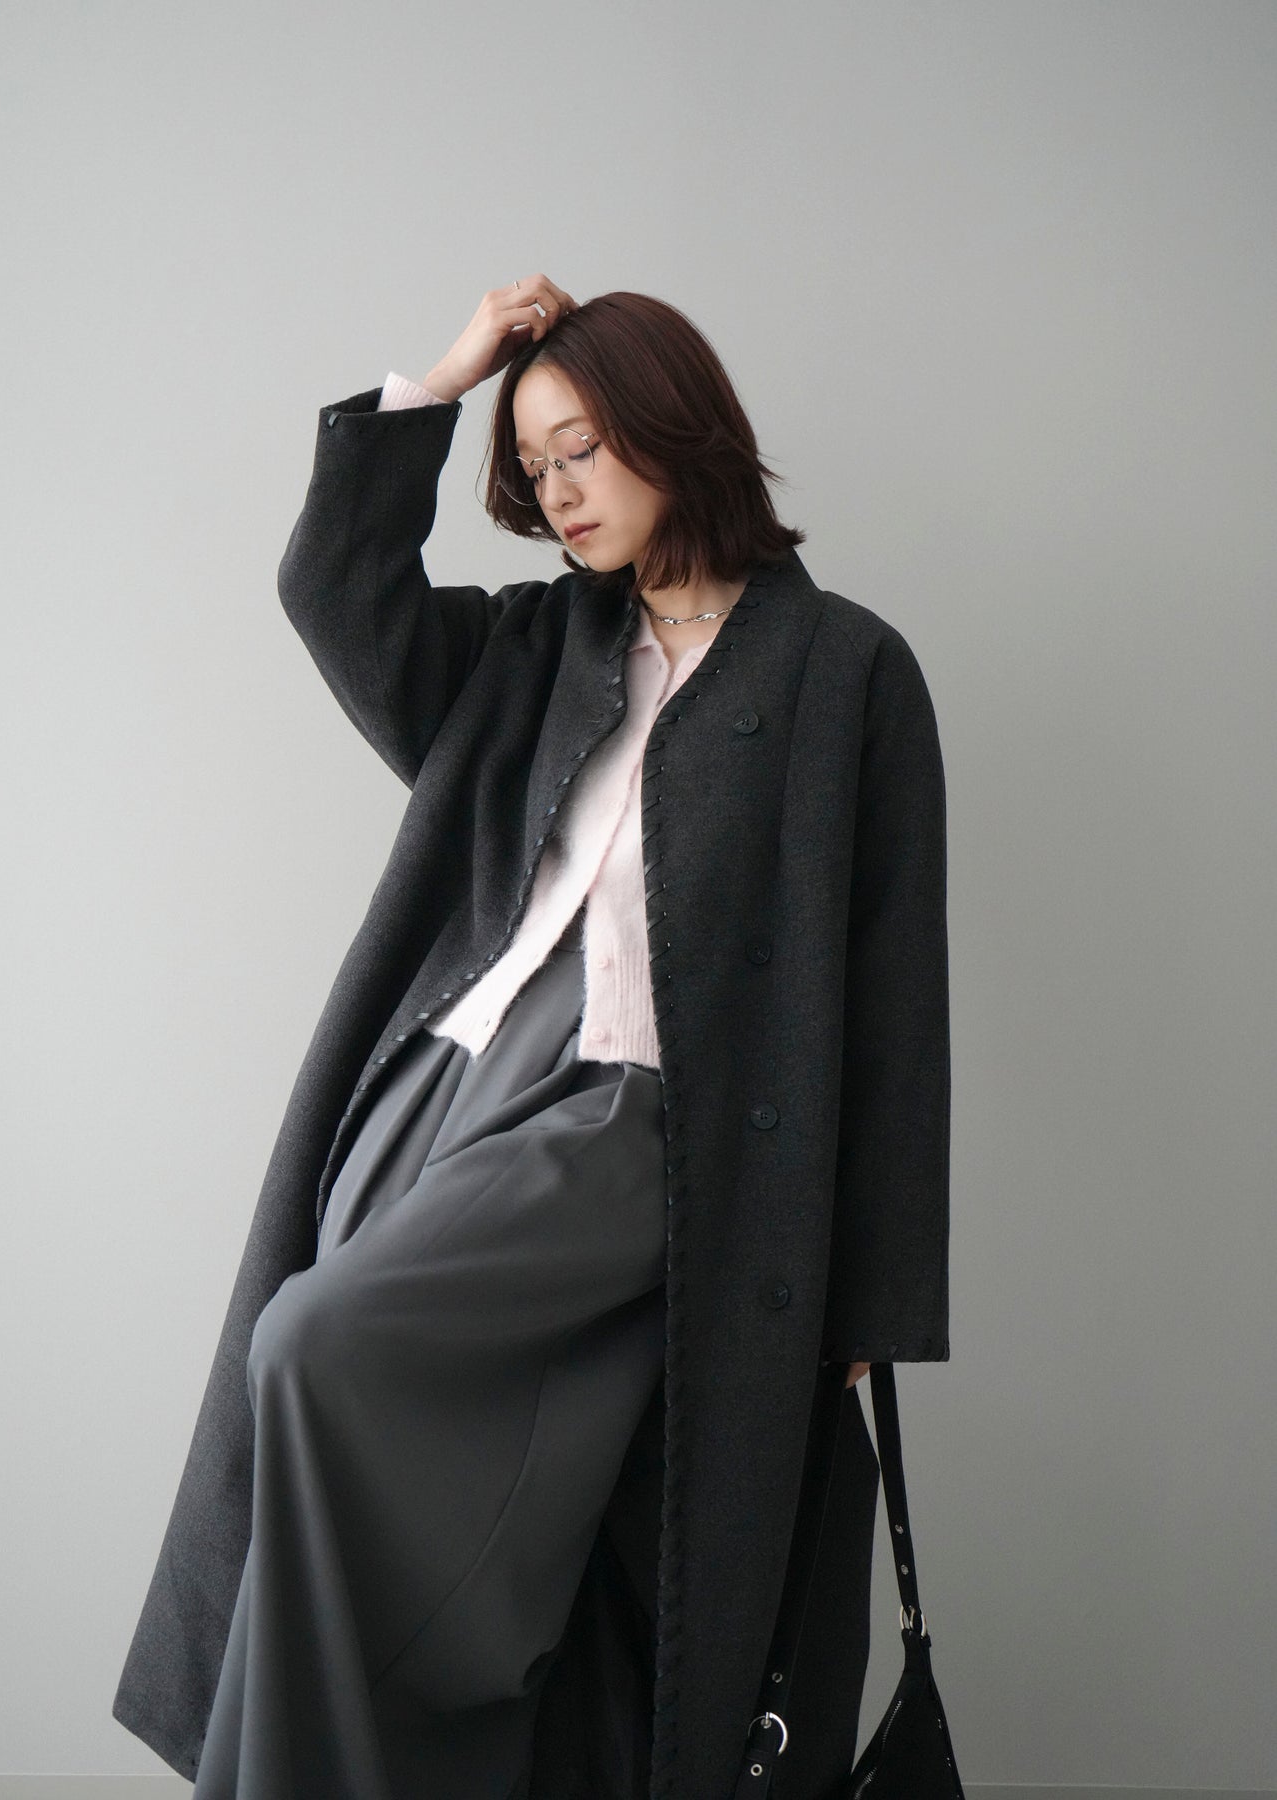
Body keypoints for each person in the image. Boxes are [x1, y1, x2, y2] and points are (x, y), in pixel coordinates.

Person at [113, 277, 950, 1800]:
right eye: (533, 463)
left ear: (671, 428)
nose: (557, 491)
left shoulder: (843, 673)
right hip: (441, 1083)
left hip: (637, 1116)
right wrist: (450, 376)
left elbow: (894, 996)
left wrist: (860, 1305)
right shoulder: (531, 647)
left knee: (315, 1346)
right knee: (371, 1466)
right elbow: (333, 590)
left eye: (582, 448)